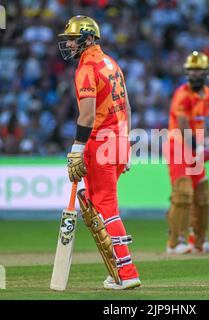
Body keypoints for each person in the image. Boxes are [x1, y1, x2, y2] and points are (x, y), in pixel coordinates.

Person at [58, 15, 141, 289]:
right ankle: (117, 271)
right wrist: (125, 145)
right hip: (118, 140)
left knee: (106, 210)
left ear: (89, 38)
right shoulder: (112, 64)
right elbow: (127, 108)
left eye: (73, 39)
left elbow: (88, 115)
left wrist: (76, 149)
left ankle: (127, 273)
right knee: (100, 208)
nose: (69, 44)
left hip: (99, 144)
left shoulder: (86, 68)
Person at [164, 51, 209, 254]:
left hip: (194, 144)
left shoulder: (208, 94)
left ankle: (199, 241)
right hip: (178, 146)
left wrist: (207, 142)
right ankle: (175, 242)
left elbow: (200, 124)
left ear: (206, 73)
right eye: (191, 70)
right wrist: (201, 147)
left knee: (203, 194)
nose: (195, 74)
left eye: (199, 70)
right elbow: (182, 127)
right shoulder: (182, 94)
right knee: (183, 193)